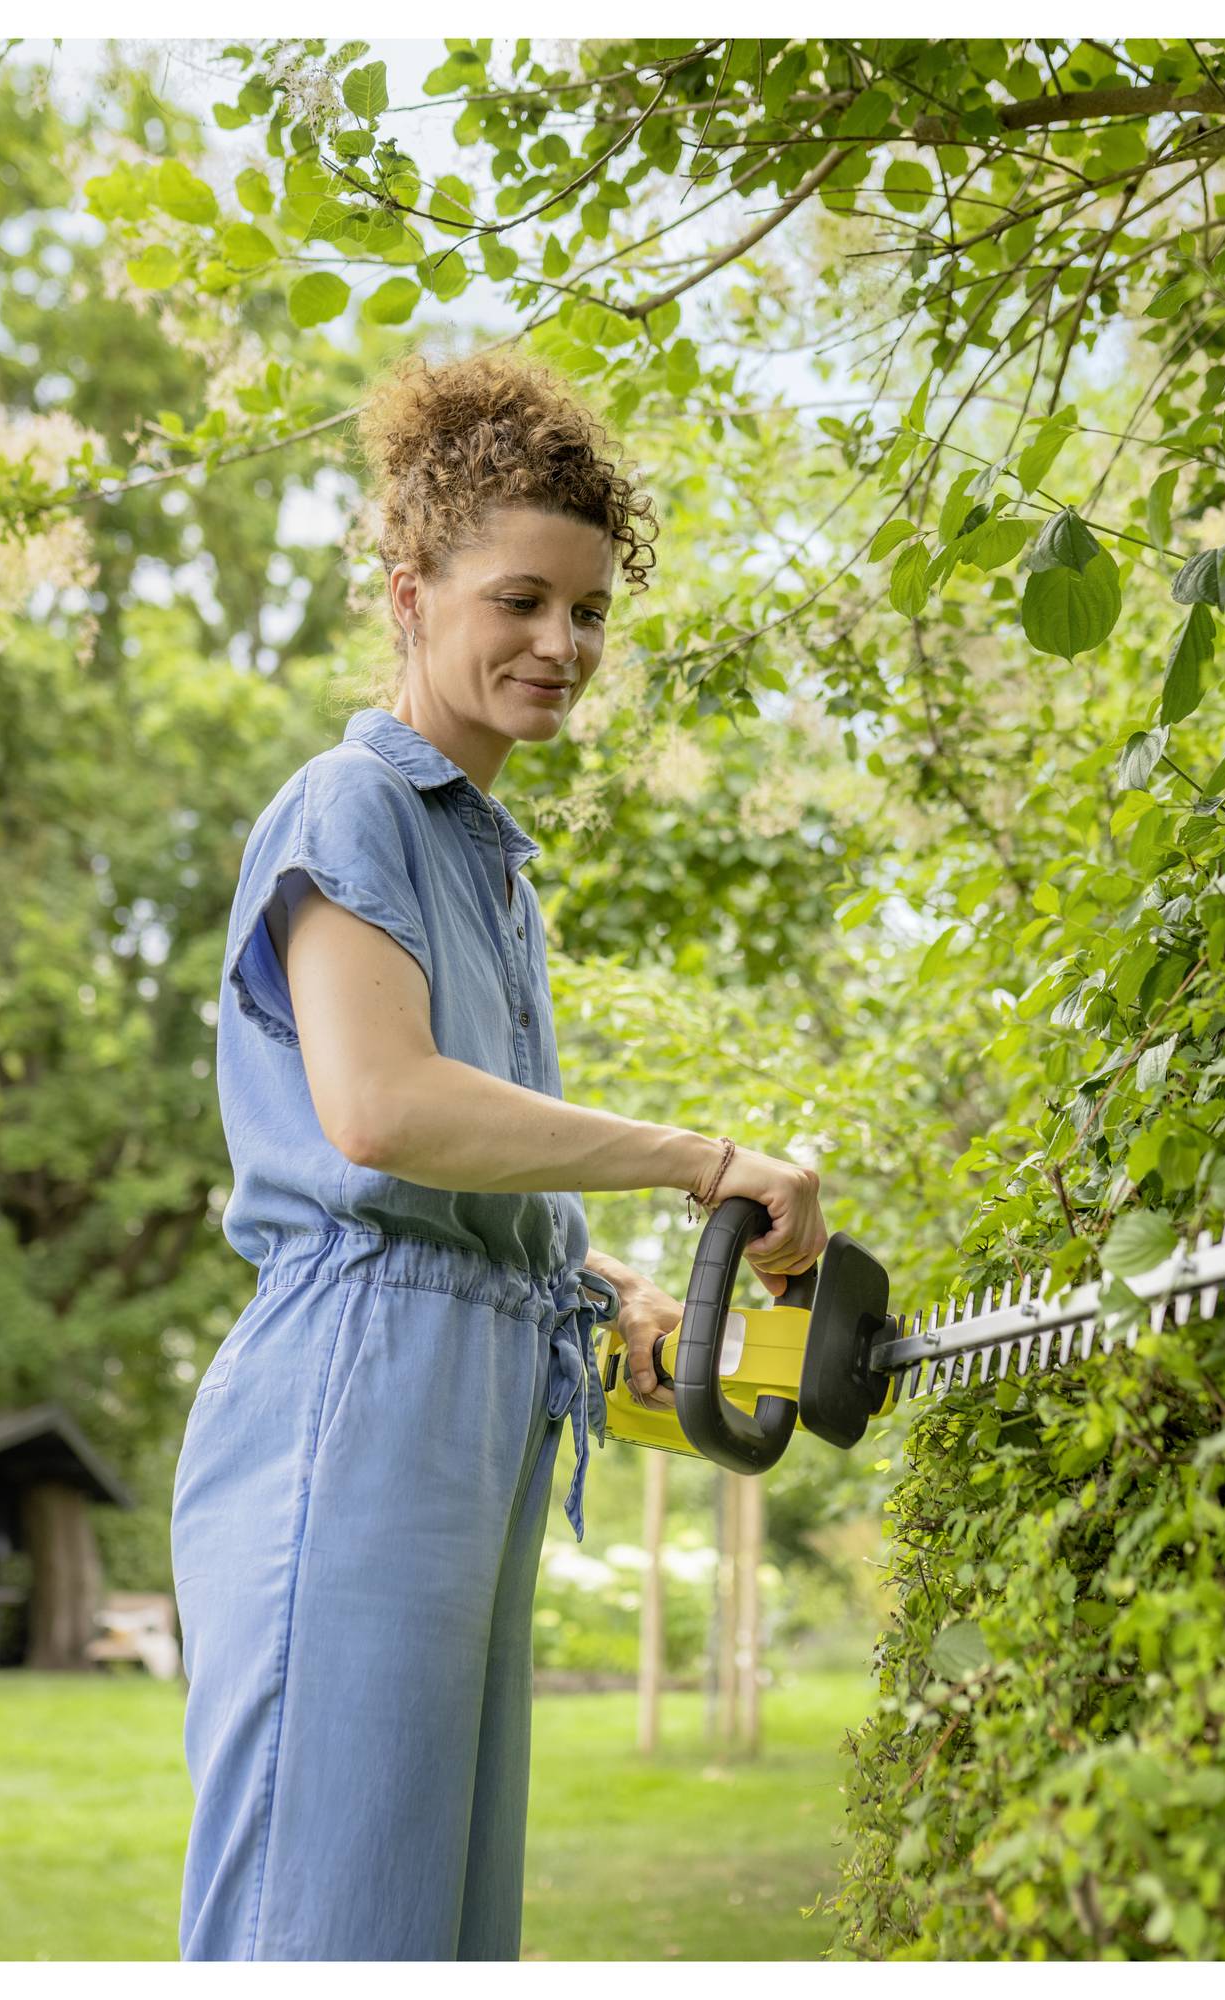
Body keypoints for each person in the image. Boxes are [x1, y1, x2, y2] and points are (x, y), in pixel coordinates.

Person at [170, 345, 832, 1961]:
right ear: (410, 594)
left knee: (438, 1936)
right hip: (356, 1402)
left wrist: (598, 1284)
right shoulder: (351, 808)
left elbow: (452, 1186)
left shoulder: (493, 872)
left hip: (468, 1410)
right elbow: (381, 1112)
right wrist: (694, 1162)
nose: (563, 643)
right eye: (520, 600)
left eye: (590, 611)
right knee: (319, 1926)